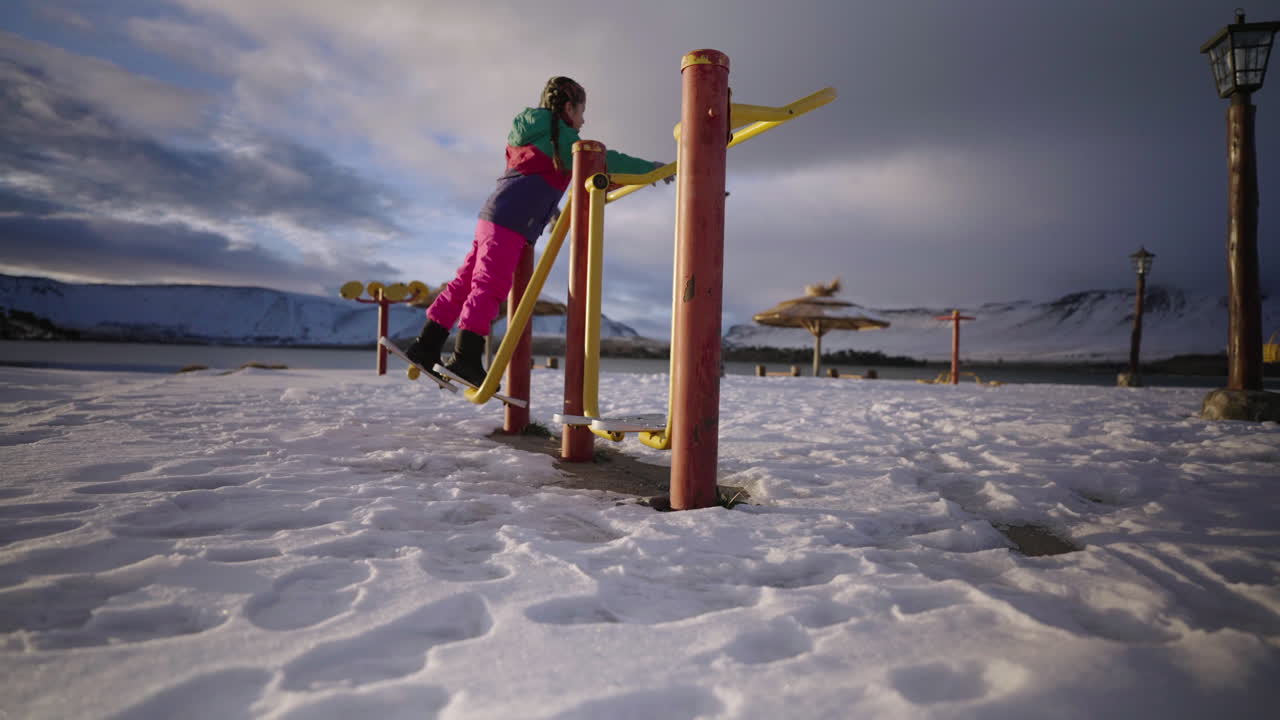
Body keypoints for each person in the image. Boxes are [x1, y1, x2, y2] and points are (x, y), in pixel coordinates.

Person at [406, 76, 669, 387]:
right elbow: (607, 160)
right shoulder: (565, 140)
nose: (583, 121)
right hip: (510, 223)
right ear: (569, 107)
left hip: (492, 216)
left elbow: (528, 179)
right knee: (488, 287)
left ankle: (426, 345)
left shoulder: (532, 134)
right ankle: (465, 358)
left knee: (465, 283)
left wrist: (550, 210)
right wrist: (653, 169)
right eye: (582, 112)